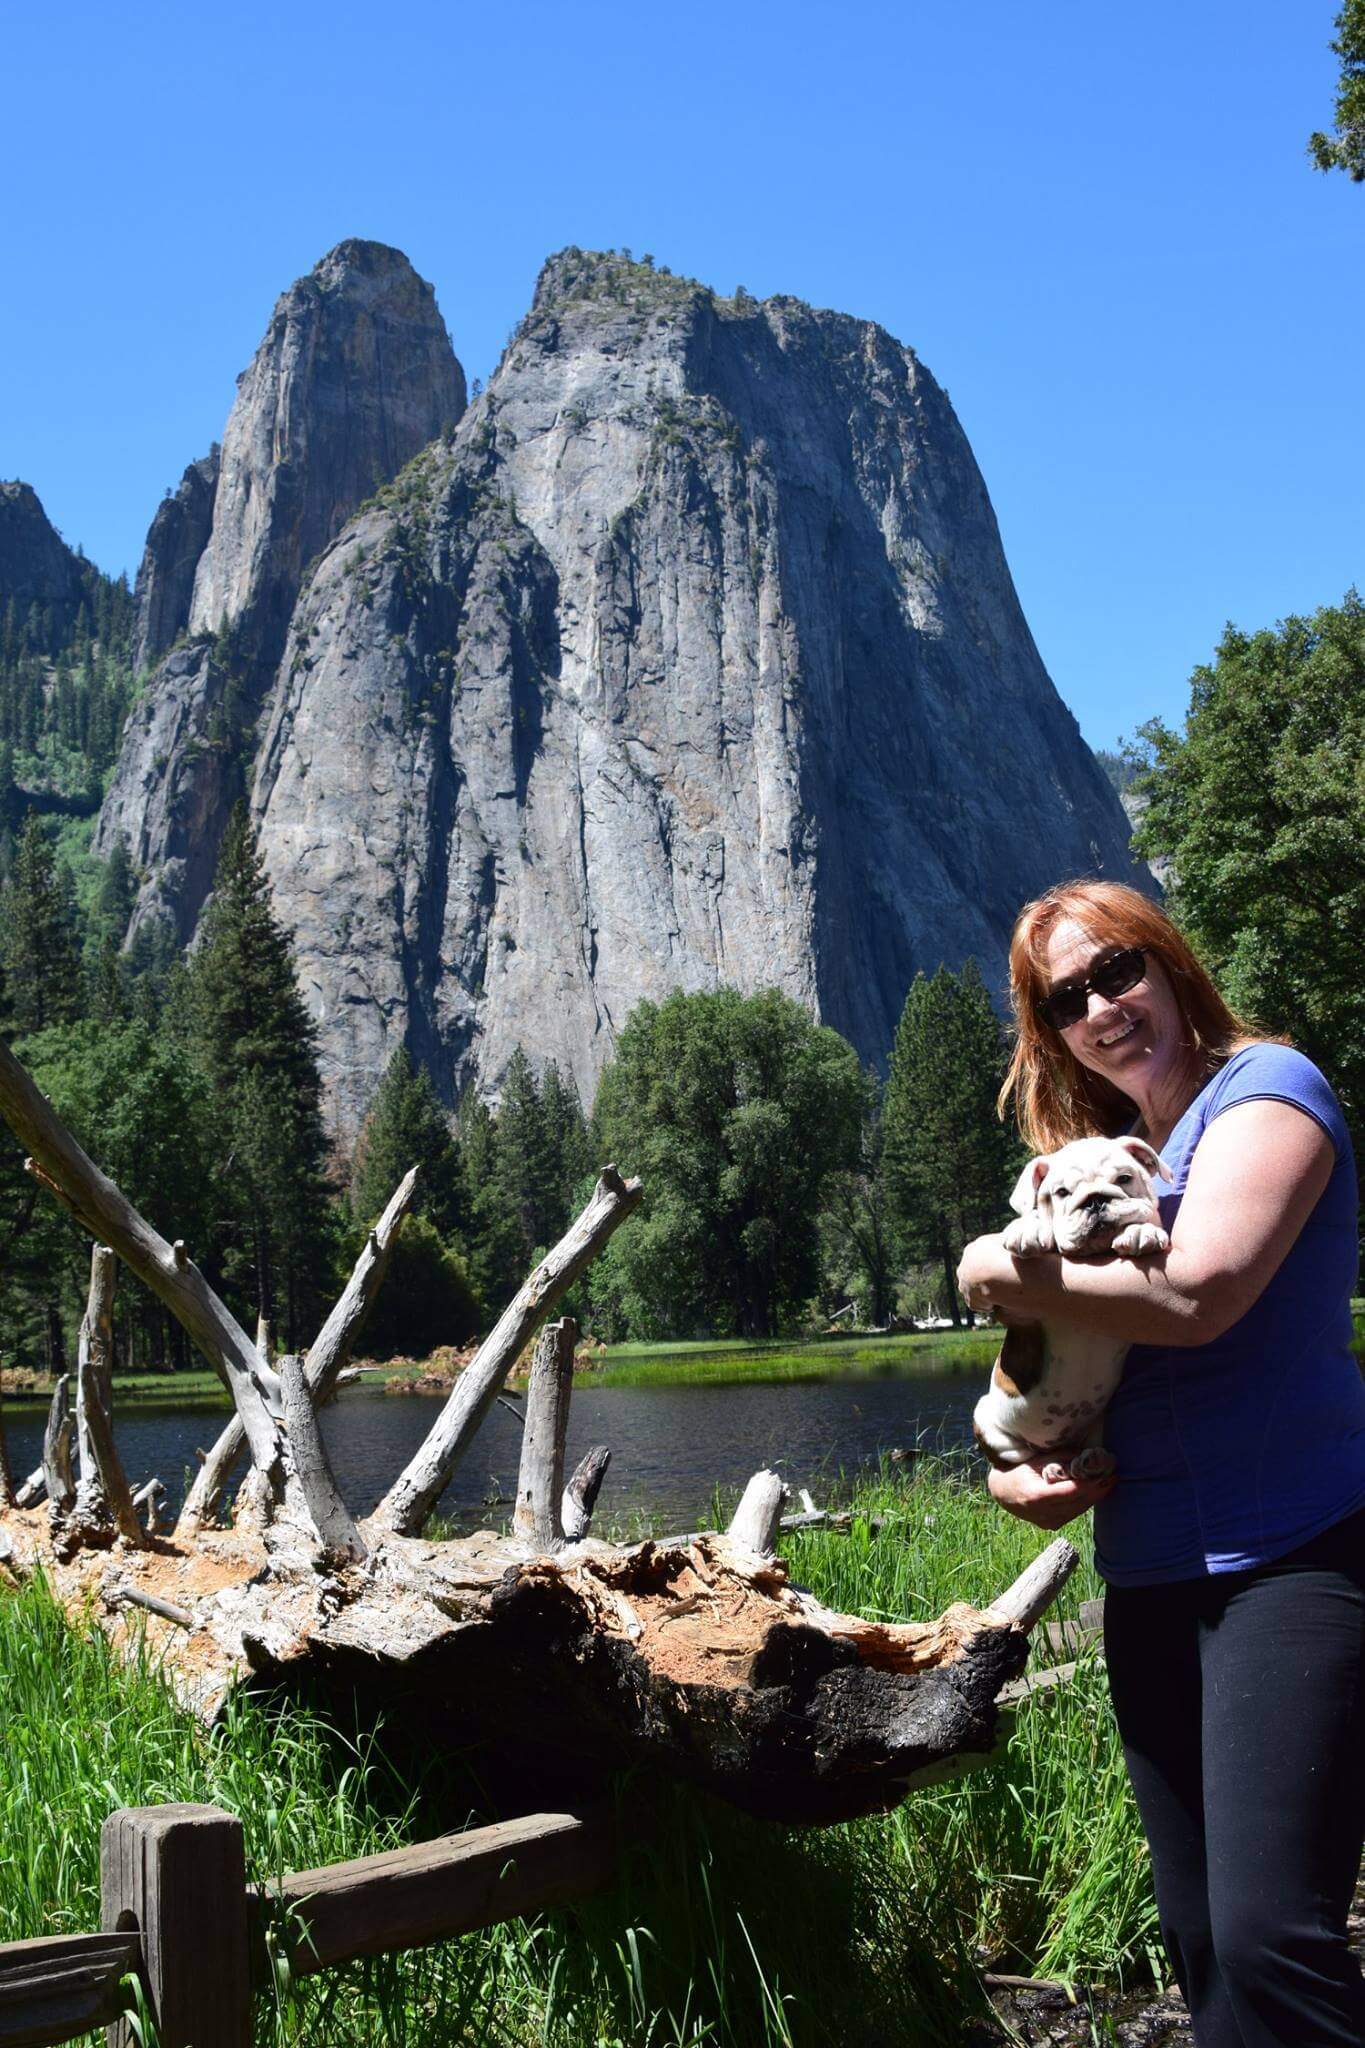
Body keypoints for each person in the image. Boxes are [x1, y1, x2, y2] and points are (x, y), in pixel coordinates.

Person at [955, 878, 1365, 2048]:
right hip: (1149, 1574)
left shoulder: (1268, 1092)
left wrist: (998, 1267)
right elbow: (1037, 1363)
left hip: (1297, 1555)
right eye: (1066, 995)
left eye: (1116, 970)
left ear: (1169, 959)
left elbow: (1196, 1295)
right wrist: (1009, 1470)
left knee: (1272, 1938)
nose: (1101, 1006)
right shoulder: (1106, 1160)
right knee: (1202, 1945)